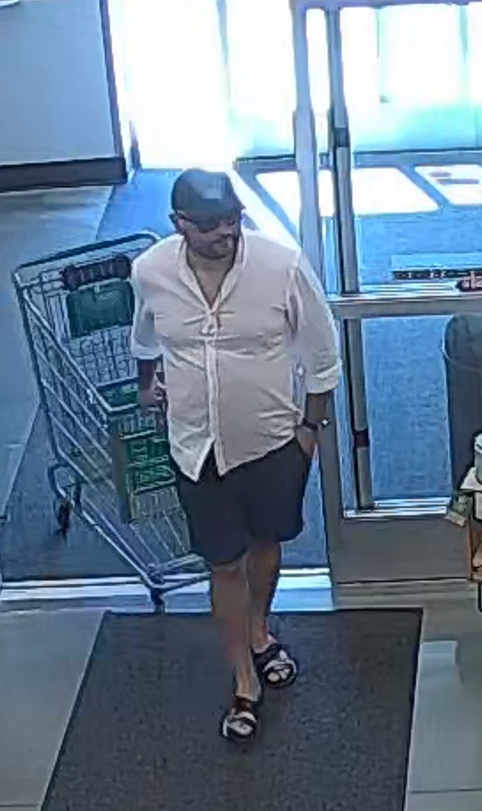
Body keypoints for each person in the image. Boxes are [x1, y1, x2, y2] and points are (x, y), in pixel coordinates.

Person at [130, 168, 341, 743]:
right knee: (223, 562)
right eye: (209, 225)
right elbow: (146, 336)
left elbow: (323, 355)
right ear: (179, 225)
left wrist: (309, 430)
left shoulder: (280, 266)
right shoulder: (151, 271)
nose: (225, 232)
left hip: (272, 441)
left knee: (266, 545)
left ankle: (257, 628)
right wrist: (148, 382)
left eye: (232, 219)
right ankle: (244, 678)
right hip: (195, 447)